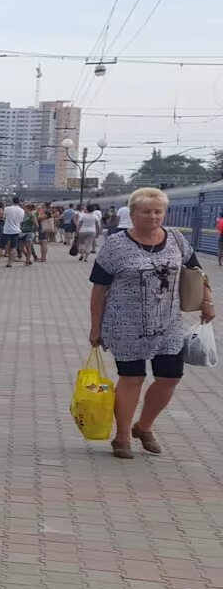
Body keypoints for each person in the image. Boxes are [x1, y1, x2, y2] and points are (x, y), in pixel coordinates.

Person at [89, 187, 215, 458]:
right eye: (146, 211)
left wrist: (208, 301)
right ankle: (122, 436)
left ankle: (144, 426)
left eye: (159, 211)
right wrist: (95, 326)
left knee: (170, 377)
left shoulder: (176, 240)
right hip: (125, 325)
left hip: (167, 323)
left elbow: (196, 273)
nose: (153, 216)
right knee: (131, 378)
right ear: (133, 213)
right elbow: (99, 288)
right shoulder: (115, 244)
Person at [0, 199, 26, 268]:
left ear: (12, 201)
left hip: (6, 230)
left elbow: (4, 218)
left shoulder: (7, 209)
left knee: (1, 247)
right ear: (19, 202)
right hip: (16, 231)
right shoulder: (22, 211)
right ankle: (9, 263)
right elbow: (20, 221)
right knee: (13, 247)